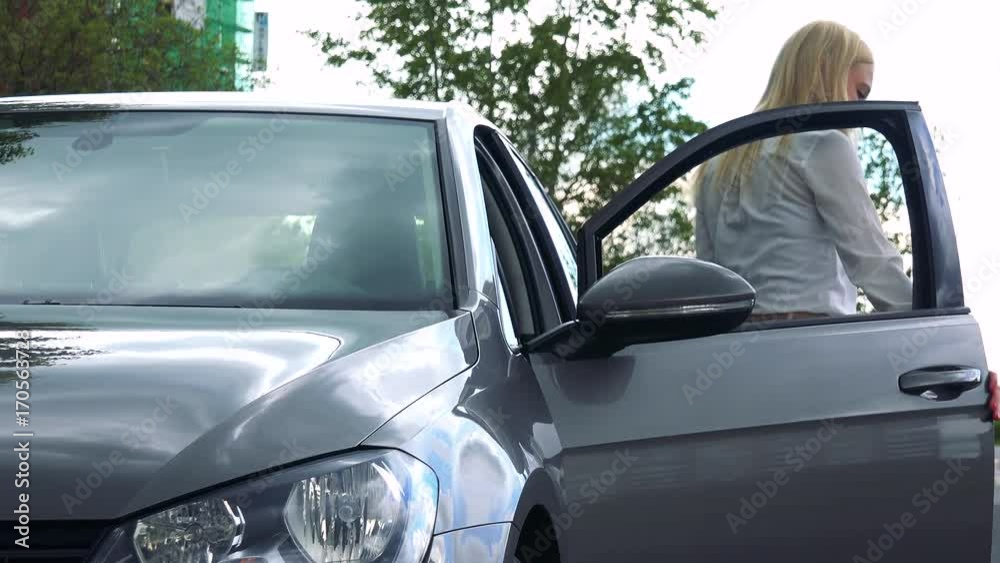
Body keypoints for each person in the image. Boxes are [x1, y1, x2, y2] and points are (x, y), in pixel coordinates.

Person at [694, 20, 912, 320]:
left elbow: (708, 278)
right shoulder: (823, 144)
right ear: (827, 72)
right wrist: (938, 326)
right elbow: (872, 262)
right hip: (811, 342)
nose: (859, 106)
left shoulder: (715, 163)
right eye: (860, 92)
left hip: (733, 348)